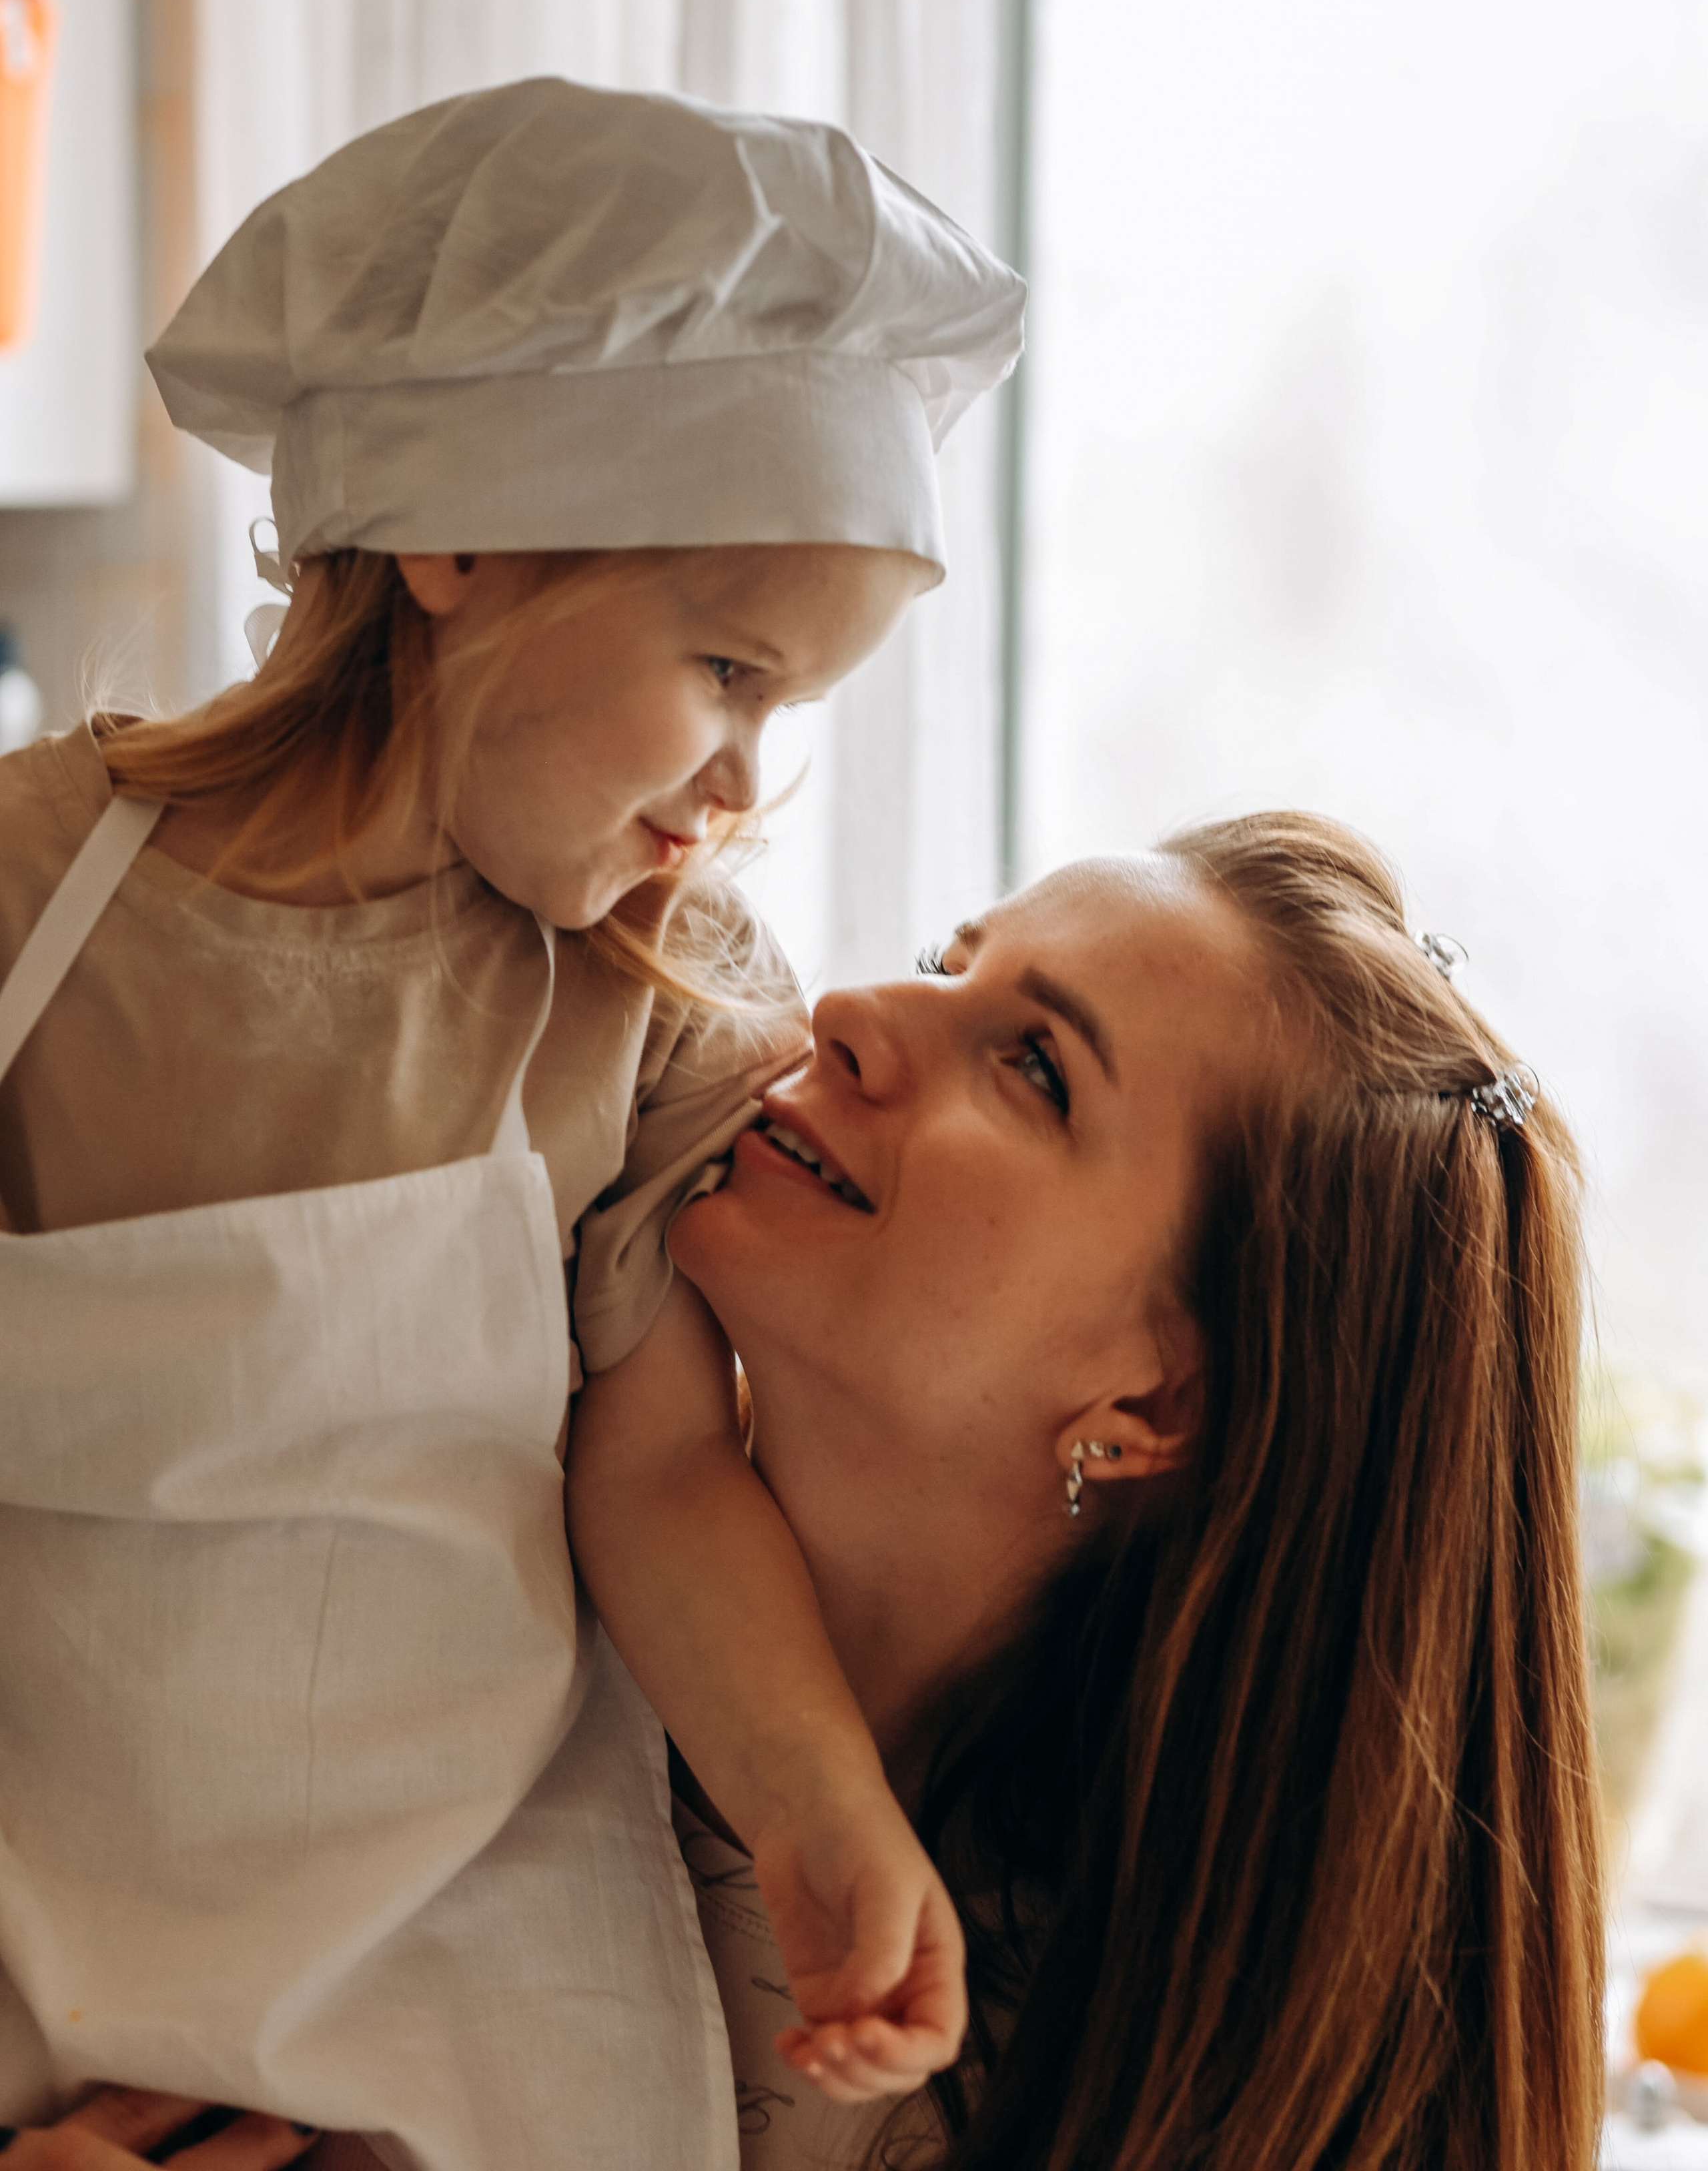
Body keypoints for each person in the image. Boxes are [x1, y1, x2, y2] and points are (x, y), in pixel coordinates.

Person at [5, 814, 1604, 2170]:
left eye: (1032, 1068)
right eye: (942, 957)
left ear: (1151, 1403)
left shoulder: (1088, 2066)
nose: (845, 1009)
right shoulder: (399, 1565)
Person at [0, 79, 1023, 2170]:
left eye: (790, 714)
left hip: (463, 1975)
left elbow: (655, 1476)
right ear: (457, 532)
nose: (742, 778)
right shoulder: (28, 900)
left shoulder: (650, 992)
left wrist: (817, 1799)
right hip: (43, 1944)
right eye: (728, 665)